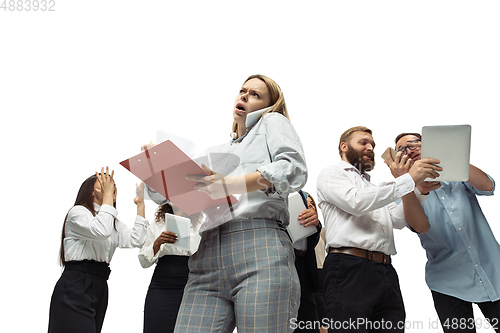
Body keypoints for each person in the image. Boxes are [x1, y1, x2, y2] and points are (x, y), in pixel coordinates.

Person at [172, 74, 307, 333]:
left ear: (271, 106)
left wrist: (230, 184)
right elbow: (174, 198)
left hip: (259, 248)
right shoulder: (215, 151)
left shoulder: (272, 122)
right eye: (243, 90)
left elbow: (293, 169)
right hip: (206, 255)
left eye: (255, 94)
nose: (244, 96)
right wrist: (156, 165)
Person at [316, 126, 441, 332]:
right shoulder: (331, 173)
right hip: (348, 268)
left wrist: (417, 191)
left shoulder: (377, 189)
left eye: (372, 145)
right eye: (363, 142)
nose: (370, 147)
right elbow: (355, 202)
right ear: (344, 146)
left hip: (385, 270)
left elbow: (396, 220)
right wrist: (408, 180)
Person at [395, 133, 500, 333]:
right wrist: (406, 183)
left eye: (414, 143)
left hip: (494, 272)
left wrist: (450, 157)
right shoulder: (404, 195)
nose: (409, 149)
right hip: (447, 284)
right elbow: (420, 227)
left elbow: (488, 185)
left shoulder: (457, 178)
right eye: (402, 149)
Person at [48, 167, 149, 333]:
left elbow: (136, 239)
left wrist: (140, 205)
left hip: (99, 285)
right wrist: (108, 196)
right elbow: (101, 231)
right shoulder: (78, 212)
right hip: (76, 284)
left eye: (113, 184)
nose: (112, 187)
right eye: (105, 184)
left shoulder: (111, 220)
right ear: (91, 192)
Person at [138, 190, 202, 333]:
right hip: (162, 283)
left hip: (192, 283)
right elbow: (143, 260)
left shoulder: (202, 222)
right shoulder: (158, 222)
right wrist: (158, 242)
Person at [293, 191, 322, 333]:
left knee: (308, 320)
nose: (310, 207)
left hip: (305, 268)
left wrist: (316, 226)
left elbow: (313, 243)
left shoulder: (316, 226)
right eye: (307, 203)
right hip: (288, 262)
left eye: (312, 205)